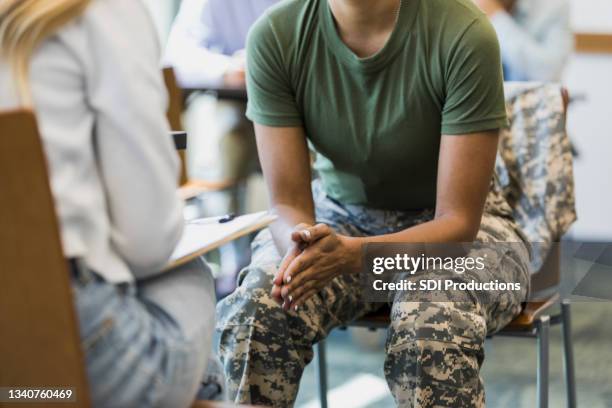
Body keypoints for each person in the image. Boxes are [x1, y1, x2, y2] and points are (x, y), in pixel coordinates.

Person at [216, 0, 531, 406]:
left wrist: (357, 257)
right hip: (339, 219)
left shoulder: (464, 31)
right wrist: (301, 243)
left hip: (463, 232)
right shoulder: (276, 35)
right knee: (256, 310)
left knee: (430, 324)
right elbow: (288, 202)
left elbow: (458, 223)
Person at [0, 0, 218, 406]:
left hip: (13, 380)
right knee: (192, 270)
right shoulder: (103, 12)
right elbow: (148, 243)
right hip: (71, 346)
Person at [164, 0, 277, 192]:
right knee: (231, 133)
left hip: (298, 98)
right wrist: (228, 69)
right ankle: (226, 209)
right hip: (238, 101)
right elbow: (178, 55)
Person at [473, 0, 573, 81]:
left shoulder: (555, 6)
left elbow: (550, 73)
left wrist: (497, 18)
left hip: (533, 103)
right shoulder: (465, 8)